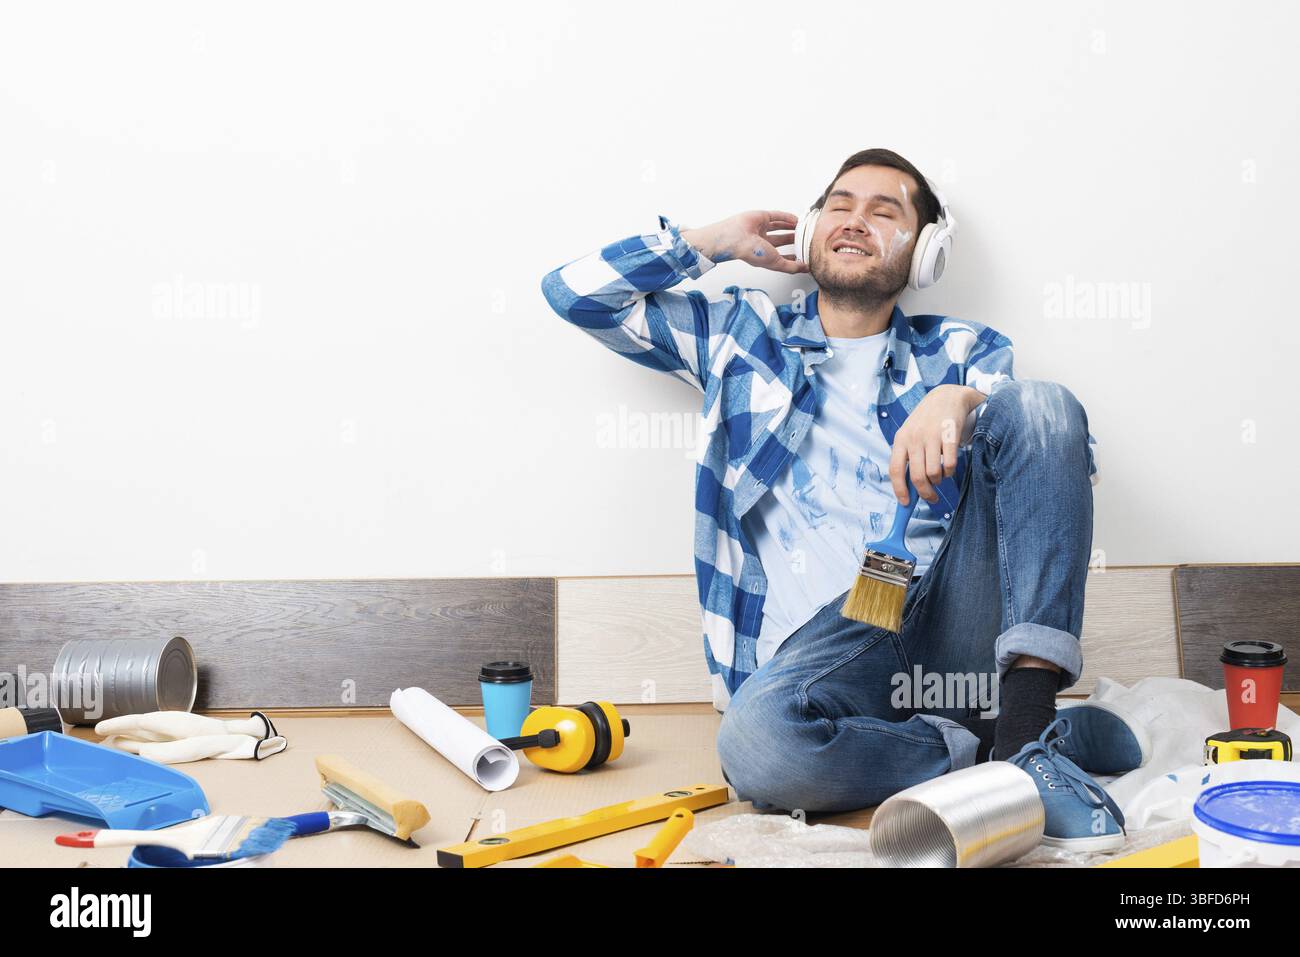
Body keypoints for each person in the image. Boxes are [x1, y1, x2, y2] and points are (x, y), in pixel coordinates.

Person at [541, 148, 1147, 849]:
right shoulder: (743, 336)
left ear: (924, 254)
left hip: (943, 624)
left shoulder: (959, 349)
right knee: (757, 748)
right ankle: (1017, 751)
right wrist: (708, 243)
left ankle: (1023, 725)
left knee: (1041, 404)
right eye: (840, 204)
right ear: (809, 230)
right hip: (818, 663)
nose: (857, 221)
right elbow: (573, 293)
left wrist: (964, 400)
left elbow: (1063, 454)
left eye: (884, 212)